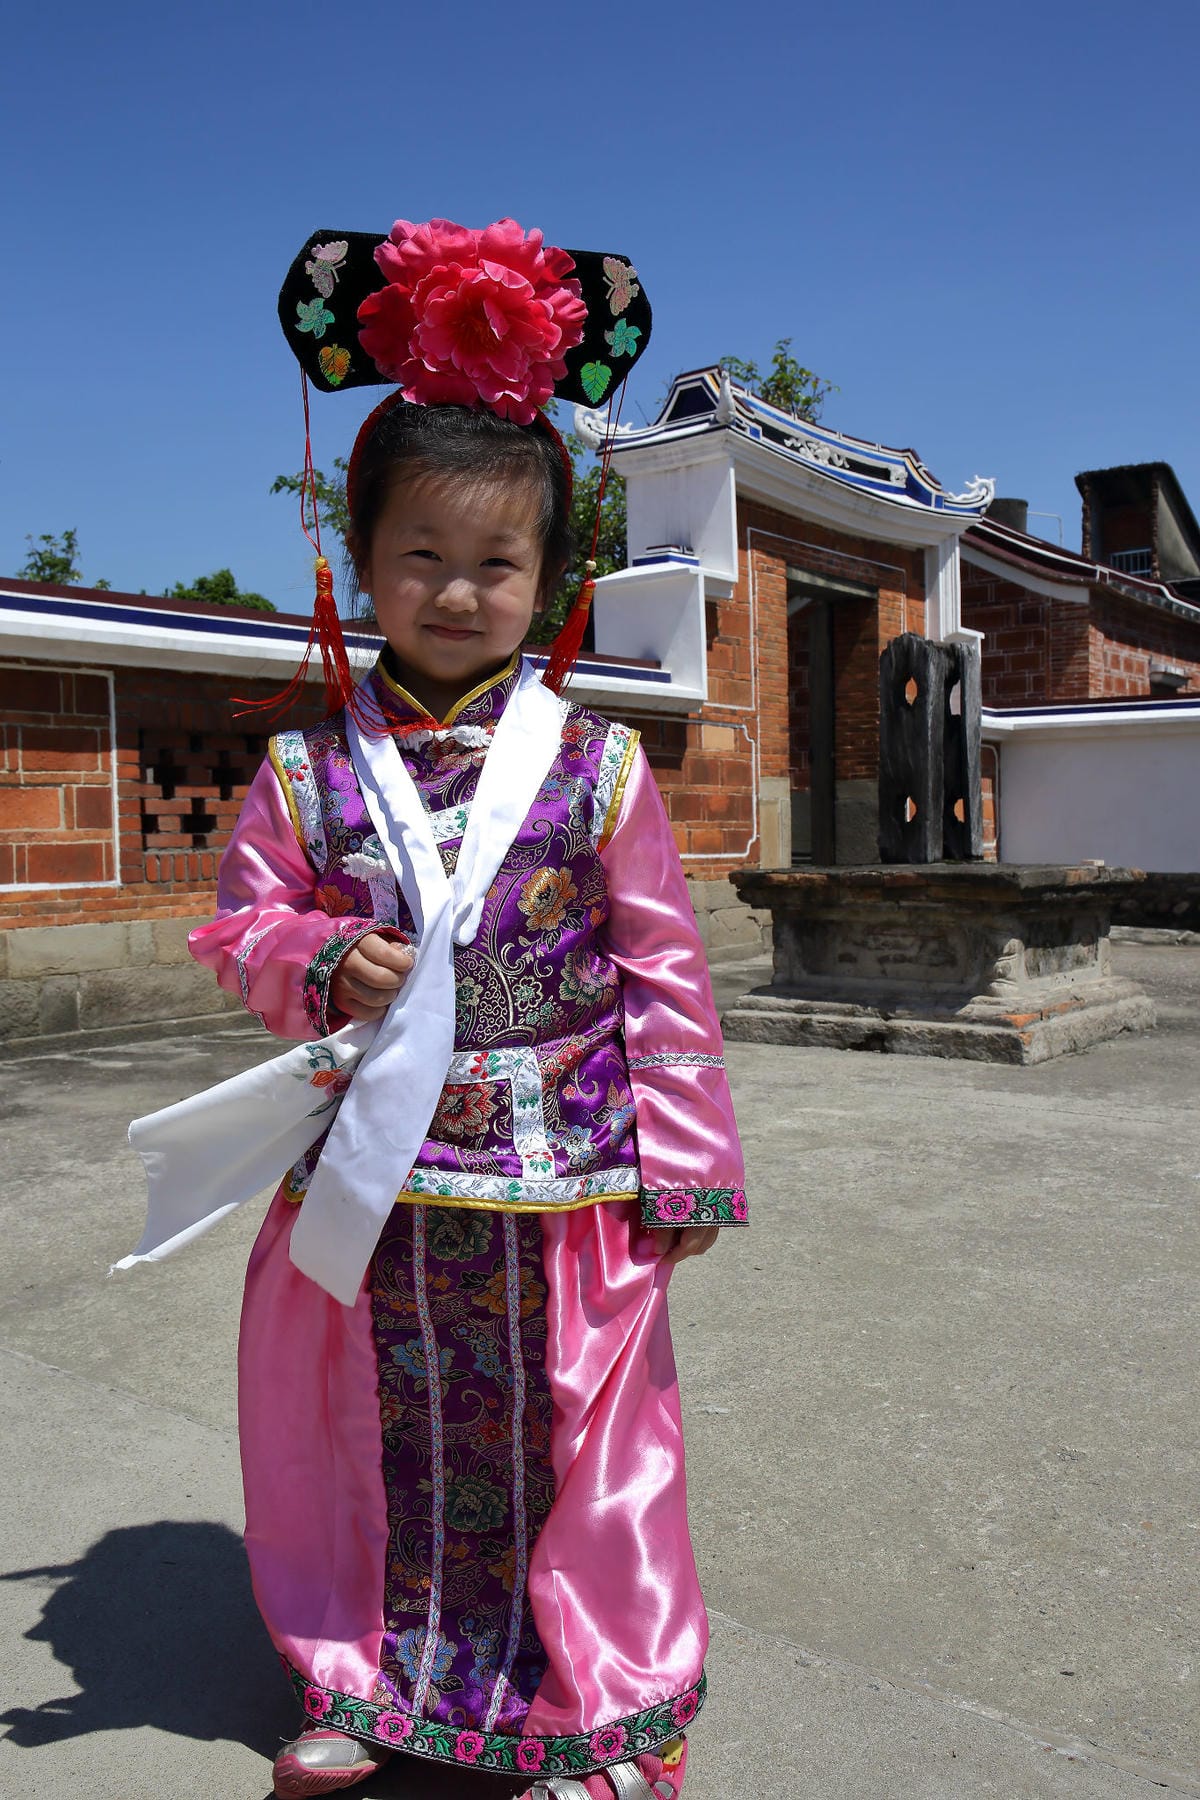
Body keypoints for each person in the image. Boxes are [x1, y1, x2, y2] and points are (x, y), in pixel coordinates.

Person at [184, 217, 748, 1800]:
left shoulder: (599, 765)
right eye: (421, 555)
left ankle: (603, 1719)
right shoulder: (308, 769)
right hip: (370, 1174)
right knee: (366, 1438)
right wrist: (313, 956)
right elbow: (236, 926)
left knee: (585, 1450)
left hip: (569, 1179)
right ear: (359, 561)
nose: (457, 590)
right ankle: (364, 1680)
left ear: (549, 578)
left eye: (498, 563)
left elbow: (665, 978)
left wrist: (687, 1169)